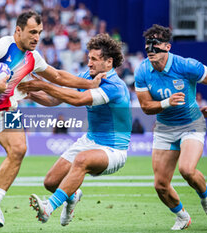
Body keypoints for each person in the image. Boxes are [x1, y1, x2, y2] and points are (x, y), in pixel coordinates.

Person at [0, 10, 99, 228]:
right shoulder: (3, 46)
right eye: (32, 32)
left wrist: (89, 84)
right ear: (18, 31)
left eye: (40, 33)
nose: (36, 37)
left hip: (6, 110)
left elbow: (58, 76)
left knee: (19, 149)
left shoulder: (34, 58)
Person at [18, 33, 131, 226]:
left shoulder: (115, 87)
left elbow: (78, 100)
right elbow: (54, 100)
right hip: (89, 141)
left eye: (94, 59)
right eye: (89, 58)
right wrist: (29, 93)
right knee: (51, 182)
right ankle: (73, 195)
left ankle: (48, 208)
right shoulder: (88, 77)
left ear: (109, 62)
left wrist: (44, 85)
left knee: (81, 160)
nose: (89, 64)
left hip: (114, 150)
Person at [134, 24, 207, 230]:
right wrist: (167, 103)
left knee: (186, 169)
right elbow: (146, 108)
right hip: (165, 127)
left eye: (156, 44)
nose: (151, 48)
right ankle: (183, 216)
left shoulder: (187, 65)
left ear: (167, 47)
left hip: (191, 123)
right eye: (148, 44)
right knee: (160, 185)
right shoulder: (142, 70)